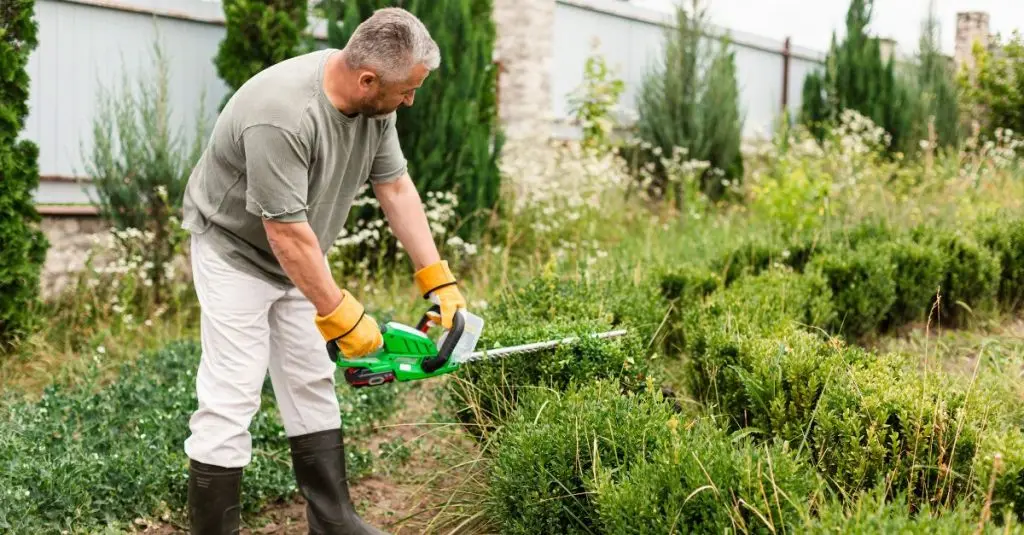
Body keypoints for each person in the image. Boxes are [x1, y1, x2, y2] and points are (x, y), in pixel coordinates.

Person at [178, 7, 467, 535]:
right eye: (407, 90)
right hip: (235, 252)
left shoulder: (378, 107)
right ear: (367, 79)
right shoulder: (283, 114)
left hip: (299, 253)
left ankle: (334, 521)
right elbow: (283, 234)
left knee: (311, 378)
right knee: (232, 392)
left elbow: (395, 187)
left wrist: (437, 277)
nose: (412, 100)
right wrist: (340, 314)